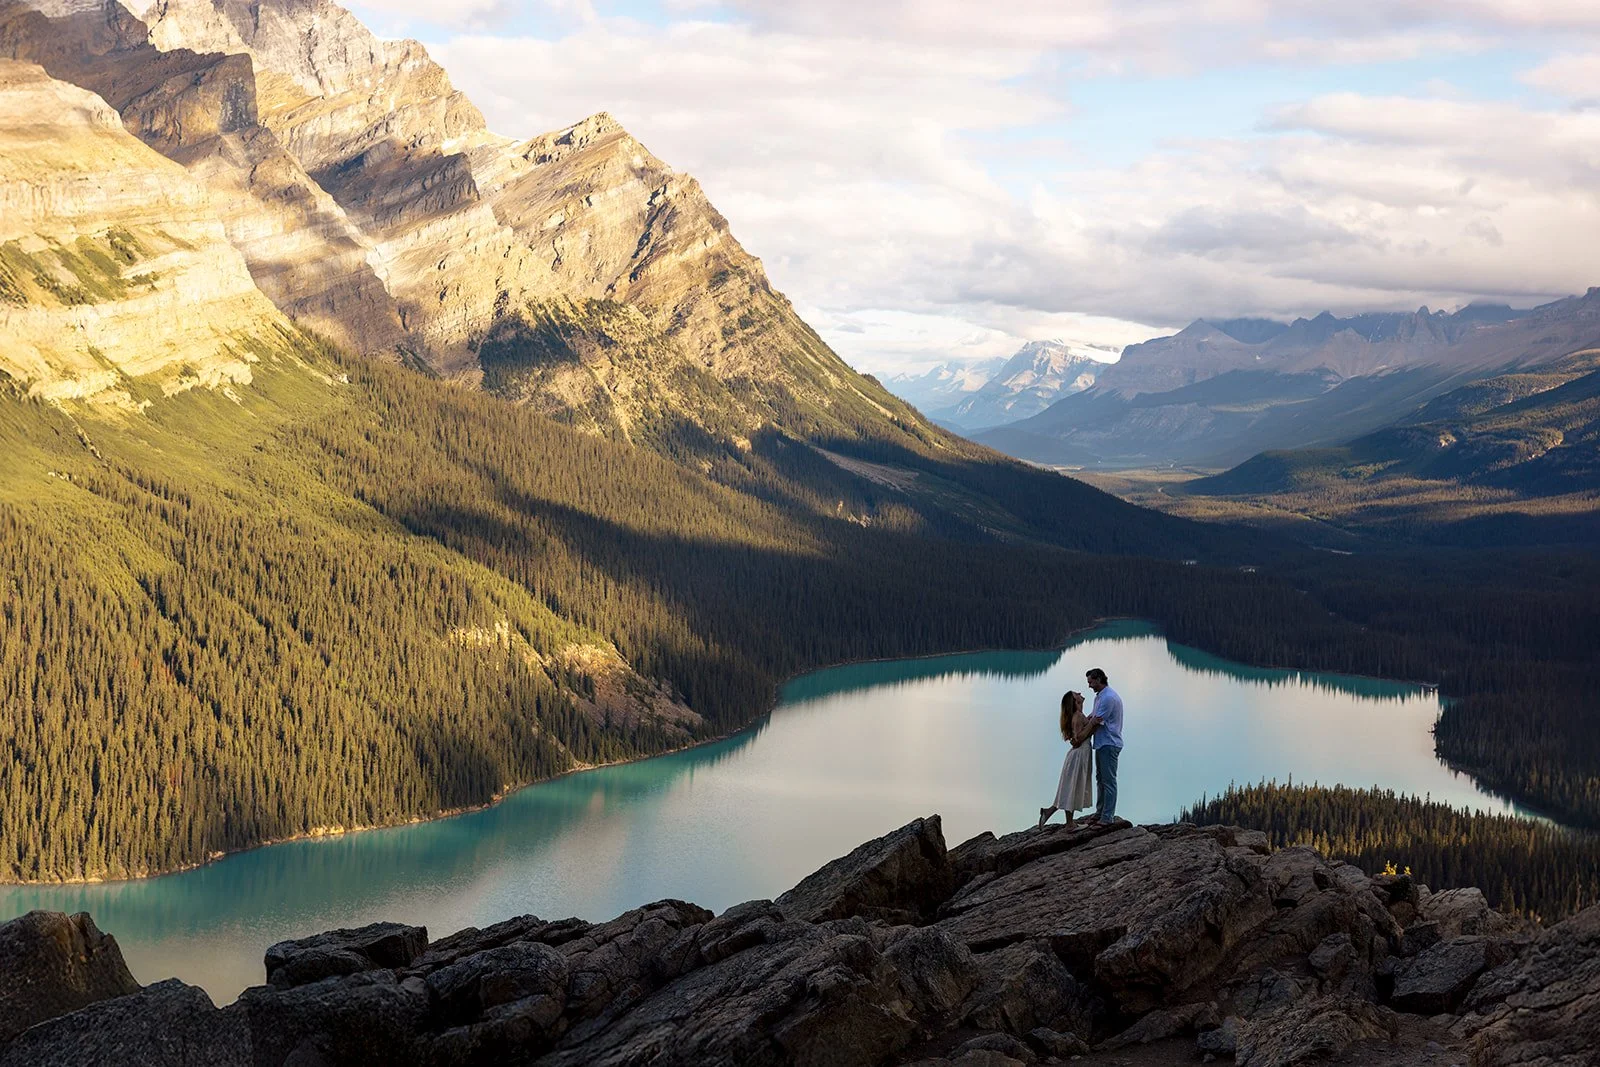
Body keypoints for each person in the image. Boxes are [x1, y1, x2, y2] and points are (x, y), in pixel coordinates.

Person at [1038, 691, 1093, 828]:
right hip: (1080, 754)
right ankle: (1070, 824)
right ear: (1074, 702)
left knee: (1069, 787)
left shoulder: (1076, 715)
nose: (1080, 693)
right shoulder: (1078, 716)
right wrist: (1094, 724)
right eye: (1076, 694)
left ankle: (1049, 811)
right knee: (1073, 787)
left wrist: (1090, 720)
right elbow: (1078, 739)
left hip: (1075, 755)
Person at [1082, 667, 1123, 823]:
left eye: (1091, 682)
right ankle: (1100, 812)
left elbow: (1096, 723)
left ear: (1099, 679)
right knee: (1101, 779)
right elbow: (1092, 717)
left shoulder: (1108, 698)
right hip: (1102, 744)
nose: (1089, 685)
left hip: (1109, 743)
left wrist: (1079, 739)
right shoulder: (1100, 697)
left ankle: (1107, 817)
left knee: (1109, 781)